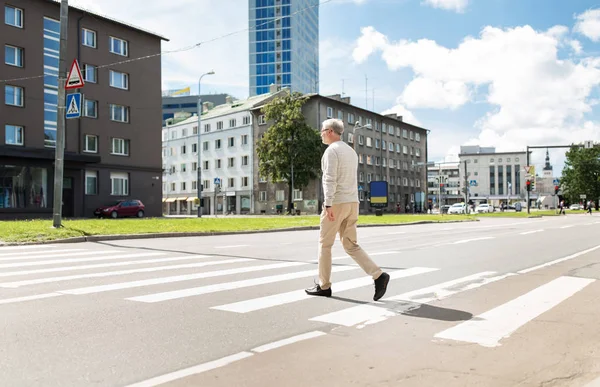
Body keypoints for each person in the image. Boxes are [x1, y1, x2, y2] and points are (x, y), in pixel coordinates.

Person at [305, 118, 390, 301]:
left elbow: (330, 179)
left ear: (329, 131)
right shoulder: (351, 152)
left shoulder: (331, 151)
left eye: (322, 130)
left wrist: (328, 204)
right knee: (350, 245)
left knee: (325, 244)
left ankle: (324, 285)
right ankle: (378, 275)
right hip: (353, 203)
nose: (320, 133)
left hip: (336, 203)